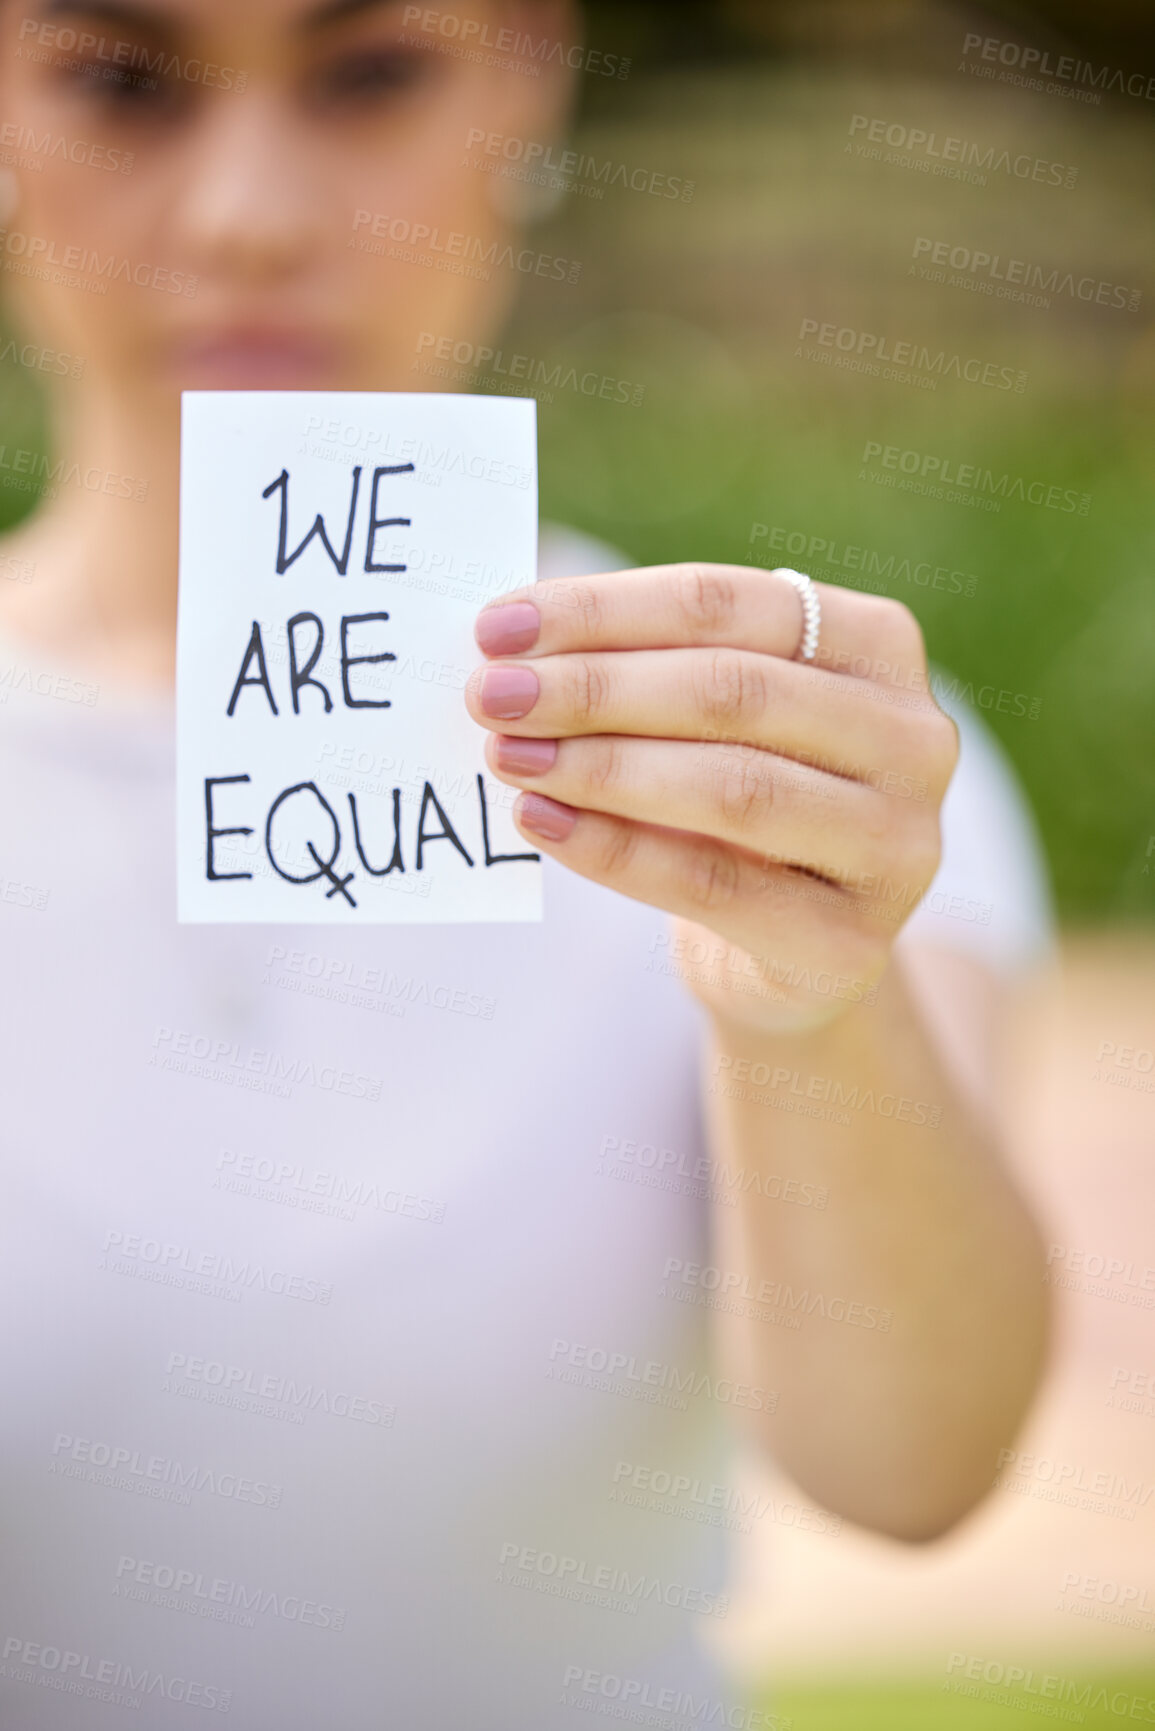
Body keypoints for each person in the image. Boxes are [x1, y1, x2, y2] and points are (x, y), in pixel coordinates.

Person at [0, 0, 1052, 1724]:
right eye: (122, 84)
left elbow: (912, 1469)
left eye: (369, 74)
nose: (246, 214)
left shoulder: (777, 760)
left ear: (526, 83)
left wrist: (810, 1009)